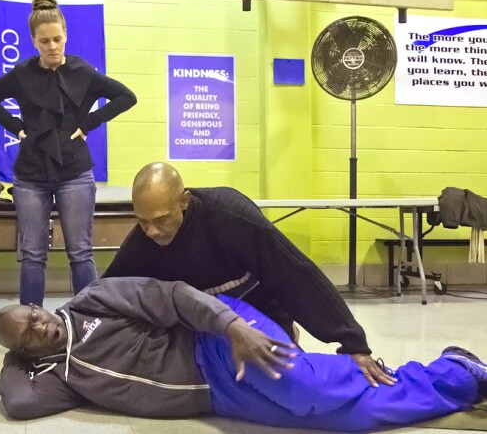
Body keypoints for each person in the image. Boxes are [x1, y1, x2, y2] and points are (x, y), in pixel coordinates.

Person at [0, 277, 487, 431]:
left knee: (308, 390)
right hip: (218, 398)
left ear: (39, 304)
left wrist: (231, 326)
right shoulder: (56, 376)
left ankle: (343, 370)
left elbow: (173, 295)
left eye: (33, 317)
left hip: (220, 338)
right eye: (27, 337)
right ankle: (456, 373)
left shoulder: (91, 302)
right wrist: (15, 360)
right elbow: (20, 405)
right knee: (350, 420)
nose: (39, 329)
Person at [101, 162, 392, 387]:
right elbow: (106, 294)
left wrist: (354, 344)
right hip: (201, 323)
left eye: (162, 219)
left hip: (259, 307)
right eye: (143, 222)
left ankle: (287, 333)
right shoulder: (143, 242)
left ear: (185, 201)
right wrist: (66, 329)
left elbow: (295, 275)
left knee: (288, 378)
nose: (152, 231)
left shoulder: (230, 216)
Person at [0, 0, 137, 306]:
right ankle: (30, 326)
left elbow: (126, 97)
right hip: (30, 174)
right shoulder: (22, 74)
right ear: (34, 42)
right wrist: (17, 129)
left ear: (66, 36)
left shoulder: (83, 72)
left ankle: (88, 322)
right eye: (45, 41)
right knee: (33, 254)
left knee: (80, 252)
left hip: (75, 172)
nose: (52, 46)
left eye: (58, 39)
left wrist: (90, 123)